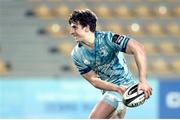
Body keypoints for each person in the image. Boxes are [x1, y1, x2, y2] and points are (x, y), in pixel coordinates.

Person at [68, 9, 152, 119]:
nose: (71, 31)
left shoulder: (108, 39)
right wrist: (116, 88)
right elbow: (93, 80)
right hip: (114, 90)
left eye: (75, 27)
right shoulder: (77, 54)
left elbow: (138, 48)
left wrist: (143, 81)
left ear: (87, 27)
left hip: (124, 89)